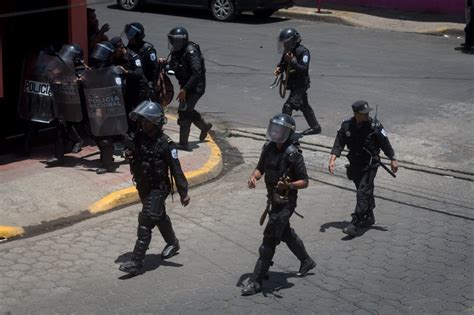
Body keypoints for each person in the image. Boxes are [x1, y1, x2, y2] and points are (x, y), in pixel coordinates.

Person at [241, 113, 316, 296]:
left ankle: (256, 280)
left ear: (288, 133)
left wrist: (289, 185)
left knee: (269, 241)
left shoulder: (293, 154)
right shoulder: (268, 148)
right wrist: (254, 178)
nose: (276, 133)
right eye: (274, 129)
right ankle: (306, 260)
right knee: (284, 233)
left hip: (286, 203)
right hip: (272, 199)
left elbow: (305, 182)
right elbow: (260, 168)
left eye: (280, 130)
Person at [119, 100, 191, 275]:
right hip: (143, 186)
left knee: (146, 220)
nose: (143, 123)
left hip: (159, 188)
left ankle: (136, 262)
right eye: (142, 120)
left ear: (156, 122)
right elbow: (130, 153)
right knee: (159, 216)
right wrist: (128, 154)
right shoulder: (138, 138)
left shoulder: (166, 144)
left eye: (147, 120)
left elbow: (176, 169)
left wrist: (183, 192)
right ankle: (173, 243)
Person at [328, 100, 398, 236]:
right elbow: (339, 141)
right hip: (355, 163)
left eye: (367, 113)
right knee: (365, 190)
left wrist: (393, 158)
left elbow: (385, 143)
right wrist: (333, 158)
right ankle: (369, 216)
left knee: (362, 192)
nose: (367, 115)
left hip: (370, 163)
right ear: (356, 114)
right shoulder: (347, 125)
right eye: (363, 113)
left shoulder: (374, 125)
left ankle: (355, 222)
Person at [162, 26, 212, 150]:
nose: (174, 43)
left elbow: (197, 72)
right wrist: (164, 64)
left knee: (184, 113)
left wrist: (185, 89)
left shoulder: (191, 52)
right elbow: (173, 66)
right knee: (187, 110)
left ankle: (183, 144)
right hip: (186, 86)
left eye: (176, 41)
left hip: (195, 88)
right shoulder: (177, 51)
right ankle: (204, 126)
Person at [274, 28, 322, 136]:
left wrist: (293, 62)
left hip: (300, 84)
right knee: (304, 106)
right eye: (284, 43)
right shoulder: (288, 51)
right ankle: (316, 127)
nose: (285, 45)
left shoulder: (303, 52)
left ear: (294, 41)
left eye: (287, 43)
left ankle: (286, 132)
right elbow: (283, 63)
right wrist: (279, 69)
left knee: (288, 106)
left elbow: (304, 69)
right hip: (293, 84)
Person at [46, 44, 86, 167]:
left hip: (80, 106)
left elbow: (83, 81)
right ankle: (59, 157)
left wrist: (79, 81)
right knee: (60, 128)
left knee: (93, 131)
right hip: (66, 103)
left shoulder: (80, 69)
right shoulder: (63, 67)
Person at [109, 37, 150, 125]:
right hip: (128, 88)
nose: (113, 53)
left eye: (115, 51)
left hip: (140, 89)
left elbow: (139, 73)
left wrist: (126, 72)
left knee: (138, 113)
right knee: (127, 112)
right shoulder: (117, 58)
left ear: (120, 47)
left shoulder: (134, 57)